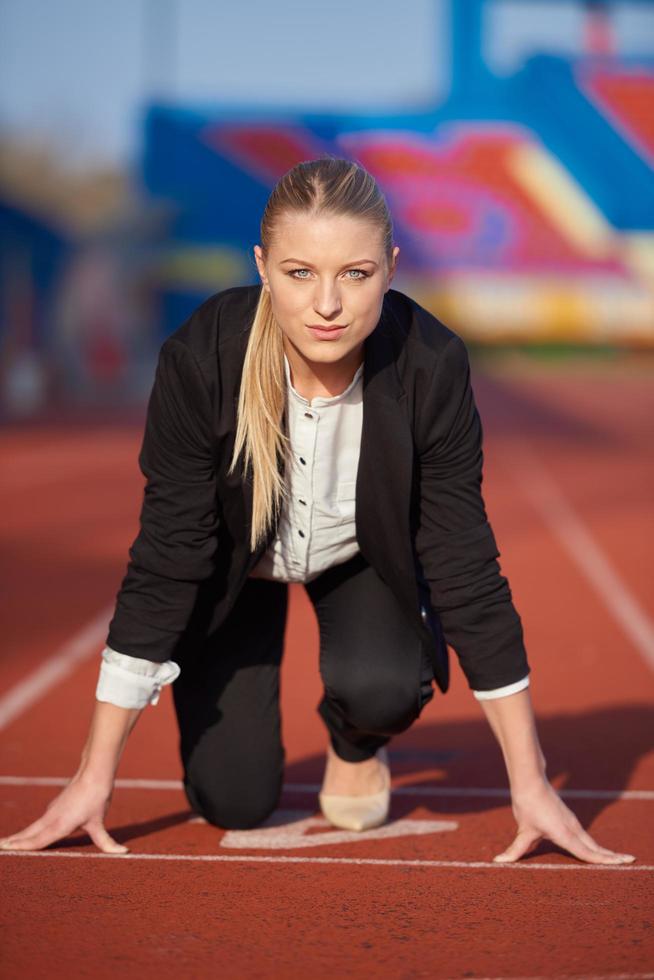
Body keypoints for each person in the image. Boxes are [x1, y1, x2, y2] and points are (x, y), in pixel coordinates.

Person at [0, 157, 635, 864]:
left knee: (385, 687)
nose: (327, 305)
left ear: (391, 269)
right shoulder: (203, 359)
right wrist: (94, 776)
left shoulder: (432, 366)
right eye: (300, 272)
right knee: (232, 800)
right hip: (235, 568)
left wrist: (532, 782)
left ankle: (354, 742)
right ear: (262, 267)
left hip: (357, 552)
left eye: (355, 274)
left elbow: (463, 562)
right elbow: (167, 558)